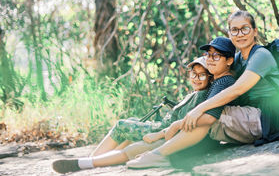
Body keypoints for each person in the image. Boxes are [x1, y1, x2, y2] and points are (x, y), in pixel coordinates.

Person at [127, 10, 279, 168]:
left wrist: (195, 111)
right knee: (206, 115)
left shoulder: (261, 56)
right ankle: (168, 154)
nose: (240, 34)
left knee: (210, 117)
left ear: (255, 31)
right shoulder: (237, 59)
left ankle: (160, 155)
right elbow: (212, 66)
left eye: (245, 29)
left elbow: (237, 89)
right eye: (234, 30)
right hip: (254, 113)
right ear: (229, 34)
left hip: (274, 117)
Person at [52, 56, 213, 174]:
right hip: (161, 127)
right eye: (194, 74)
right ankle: (99, 159)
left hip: (161, 131)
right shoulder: (195, 93)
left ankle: (93, 159)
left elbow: (180, 125)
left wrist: (158, 135)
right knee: (133, 121)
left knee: (122, 125)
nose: (196, 78)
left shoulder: (201, 96)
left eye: (202, 75)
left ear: (210, 77)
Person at [127, 36, 238, 168]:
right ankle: (156, 155)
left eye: (216, 56)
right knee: (133, 146)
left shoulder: (224, 82)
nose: (210, 59)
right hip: (201, 137)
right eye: (208, 55)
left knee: (192, 124)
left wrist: (176, 125)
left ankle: (158, 156)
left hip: (206, 138)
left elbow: (209, 118)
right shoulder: (218, 81)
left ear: (229, 60)